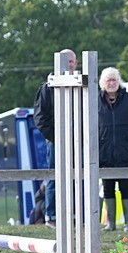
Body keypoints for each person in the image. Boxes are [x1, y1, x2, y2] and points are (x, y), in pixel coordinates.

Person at [33, 49, 77, 228]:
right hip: (56, 141)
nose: (69, 64)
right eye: (65, 61)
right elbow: (40, 117)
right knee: (54, 177)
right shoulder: (46, 88)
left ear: (76, 64)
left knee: (77, 177)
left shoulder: (83, 85)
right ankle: (51, 216)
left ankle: (75, 215)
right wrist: (55, 137)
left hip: (79, 141)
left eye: (72, 61)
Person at [98, 67, 128, 231]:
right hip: (104, 153)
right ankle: (110, 223)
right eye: (108, 80)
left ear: (119, 81)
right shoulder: (95, 100)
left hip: (126, 152)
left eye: (114, 80)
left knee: (126, 187)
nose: (111, 83)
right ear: (102, 83)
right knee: (107, 187)